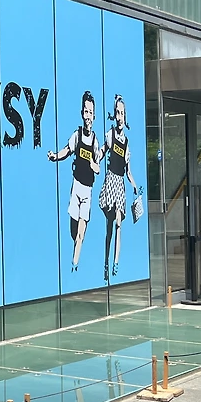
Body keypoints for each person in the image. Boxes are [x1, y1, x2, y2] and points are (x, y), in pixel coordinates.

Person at [48, 90, 100, 271]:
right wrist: (55, 156)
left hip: (87, 190)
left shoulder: (95, 141)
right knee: (73, 229)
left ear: (94, 116)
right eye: (86, 112)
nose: (88, 116)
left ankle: (74, 264)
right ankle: (74, 255)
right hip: (76, 187)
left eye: (90, 112)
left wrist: (94, 166)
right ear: (82, 113)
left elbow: (98, 167)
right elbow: (67, 150)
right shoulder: (77, 135)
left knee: (81, 233)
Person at [99, 94, 139, 280]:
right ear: (114, 115)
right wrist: (95, 160)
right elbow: (102, 151)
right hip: (111, 181)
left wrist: (135, 186)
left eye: (122, 113)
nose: (120, 116)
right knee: (110, 226)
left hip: (120, 183)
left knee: (118, 223)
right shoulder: (111, 135)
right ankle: (106, 263)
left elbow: (128, 171)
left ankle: (115, 262)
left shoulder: (126, 143)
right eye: (117, 113)